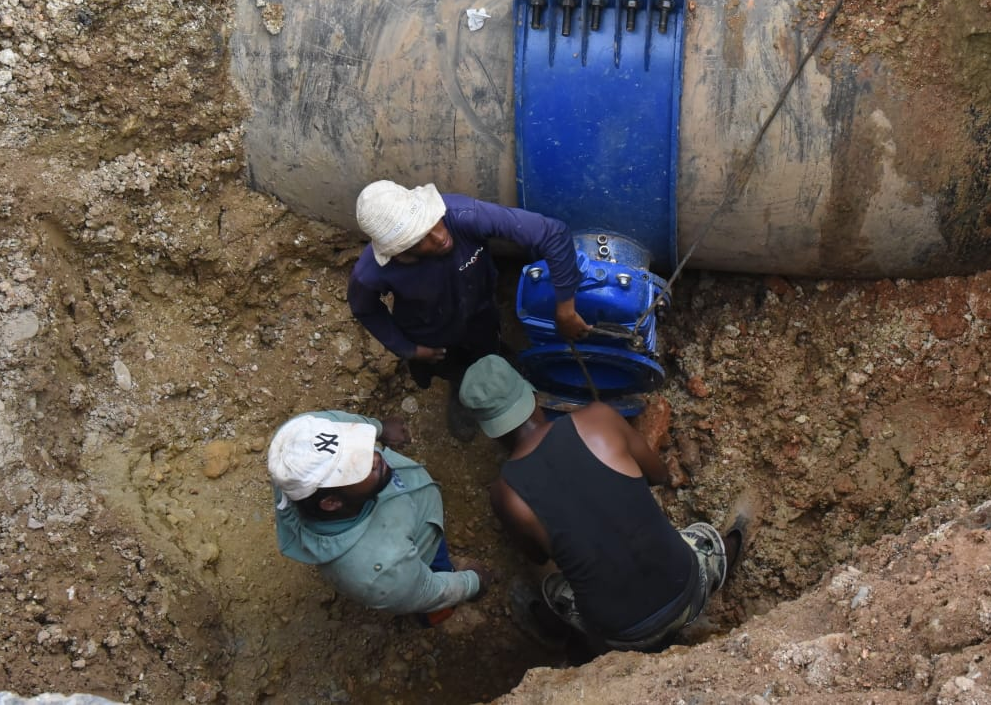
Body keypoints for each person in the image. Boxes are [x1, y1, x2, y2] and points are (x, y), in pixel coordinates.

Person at [458, 355, 746, 654]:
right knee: (701, 535)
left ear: (488, 428)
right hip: (688, 590)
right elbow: (658, 475)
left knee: (553, 587)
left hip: (626, 636)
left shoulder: (505, 494)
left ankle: (570, 640)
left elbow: (538, 556)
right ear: (530, 392)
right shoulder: (599, 419)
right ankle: (729, 547)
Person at [346, 180, 590, 439]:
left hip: (480, 313)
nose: (440, 236)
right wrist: (409, 349)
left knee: (488, 349)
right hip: (430, 333)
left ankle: (498, 369)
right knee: (451, 367)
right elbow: (365, 308)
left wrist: (565, 309)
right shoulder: (371, 272)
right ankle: (461, 389)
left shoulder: (462, 216)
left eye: (433, 222)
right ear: (397, 252)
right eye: (420, 240)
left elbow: (552, 233)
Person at [267, 409, 491, 621]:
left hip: (411, 506)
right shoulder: (380, 569)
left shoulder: (297, 444)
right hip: (423, 550)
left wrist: (380, 428)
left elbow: (339, 422)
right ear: (332, 502)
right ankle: (435, 616)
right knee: (433, 593)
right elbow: (426, 590)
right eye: (357, 467)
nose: (374, 456)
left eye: (357, 445)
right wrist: (472, 583)